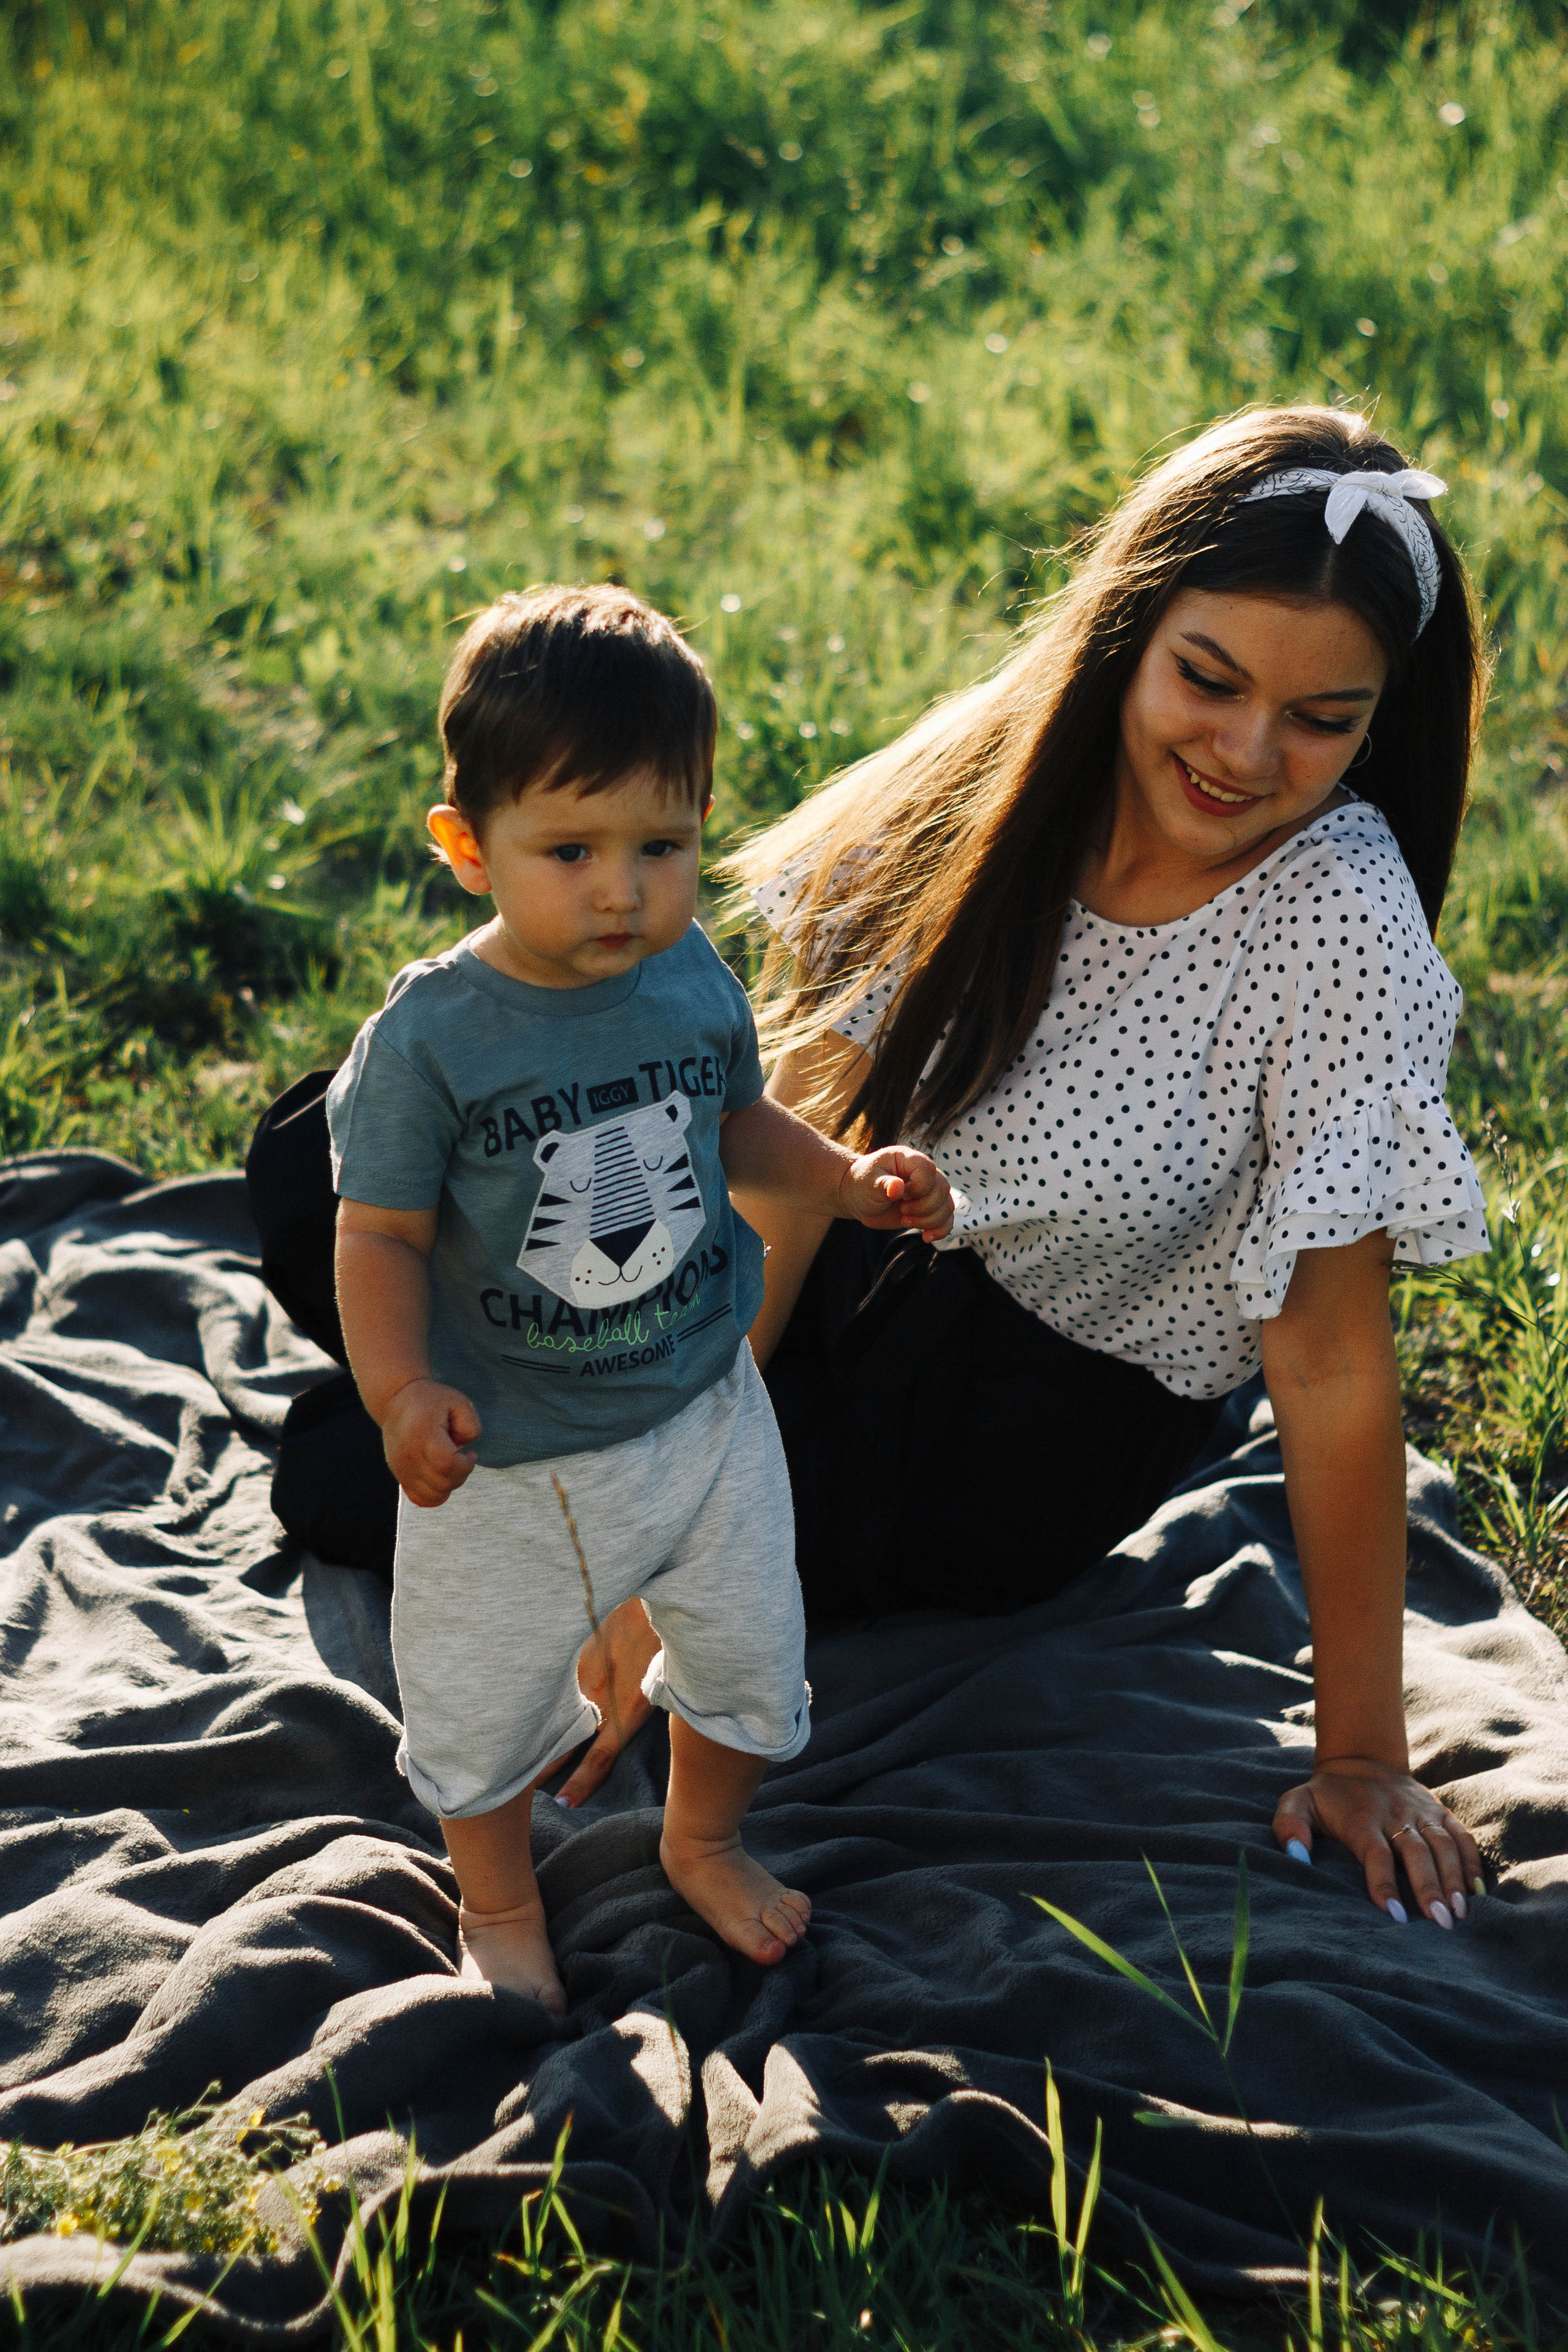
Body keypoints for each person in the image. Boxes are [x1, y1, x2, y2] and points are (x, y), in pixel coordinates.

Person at [248, 404, 1491, 1936]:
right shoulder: (1013, 775)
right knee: (317, 1162)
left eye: (1320, 718)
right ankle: (499, 1389)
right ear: (1127, 633)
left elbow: (1329, 1361)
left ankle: (474, 1395)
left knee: (338, 1473)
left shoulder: (1341, 921)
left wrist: (1360, 1755)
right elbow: (784, 1137)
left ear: (1376, 720)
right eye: (1208, 679)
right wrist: (662, 1436)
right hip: (840, 1235)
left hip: (1007, 1423)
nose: (1244, 752)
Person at [325, 584, 954, 2013]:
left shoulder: (687, 980)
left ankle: (702, 1837)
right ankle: (498, 1900)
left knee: (751, 1659)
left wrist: (846, 1183)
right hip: (511, 1452)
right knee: (480, 1703)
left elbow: (736, 1128)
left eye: (659, 846)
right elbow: (380, 1236)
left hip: (703, 1407)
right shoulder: (431, 1041)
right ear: (467, 848)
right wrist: (399, 1391)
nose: (621, 891)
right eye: (571, 851)